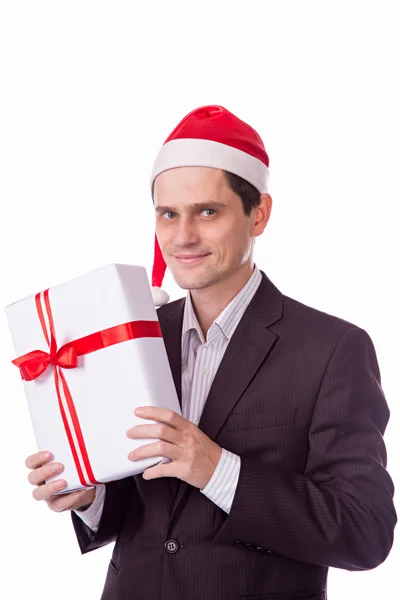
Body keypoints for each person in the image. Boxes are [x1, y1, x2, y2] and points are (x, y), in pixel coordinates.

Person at [25, 105, 397, 600]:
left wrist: (218, 469)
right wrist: (89, 496)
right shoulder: (137, 335)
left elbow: (363, 531)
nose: (183, 237)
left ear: (258, 214)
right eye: (168, 215)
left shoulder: (333, 349)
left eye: (207, 211)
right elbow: (142, 511)